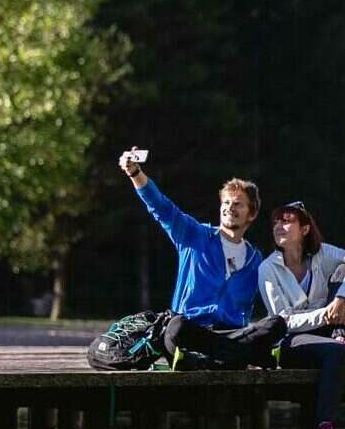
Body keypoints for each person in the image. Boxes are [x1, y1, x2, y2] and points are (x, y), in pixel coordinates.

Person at [121, 151, 285, 368]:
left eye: (237, 204)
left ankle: (210, 360)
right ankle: (238, 357)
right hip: (190, 332)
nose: (229, 208)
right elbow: (161, 207)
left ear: (251, 214)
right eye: (226, 202)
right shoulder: (194, 235)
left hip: (229, 334)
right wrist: (135, 173)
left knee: (276, 324)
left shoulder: (256, 260)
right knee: (175, 326)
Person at [258, 202, 345, 429]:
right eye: (276, 221)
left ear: (306, 228)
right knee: (337, 352)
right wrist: (328, 315)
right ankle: (325, 425)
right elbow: (282, 320)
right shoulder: (267, 269)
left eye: (286, 220)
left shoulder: (322, 255)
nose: (279, 226)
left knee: (344, 269)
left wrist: (341, 301)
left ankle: (342, 340)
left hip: (327, 331)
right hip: (289, 341)